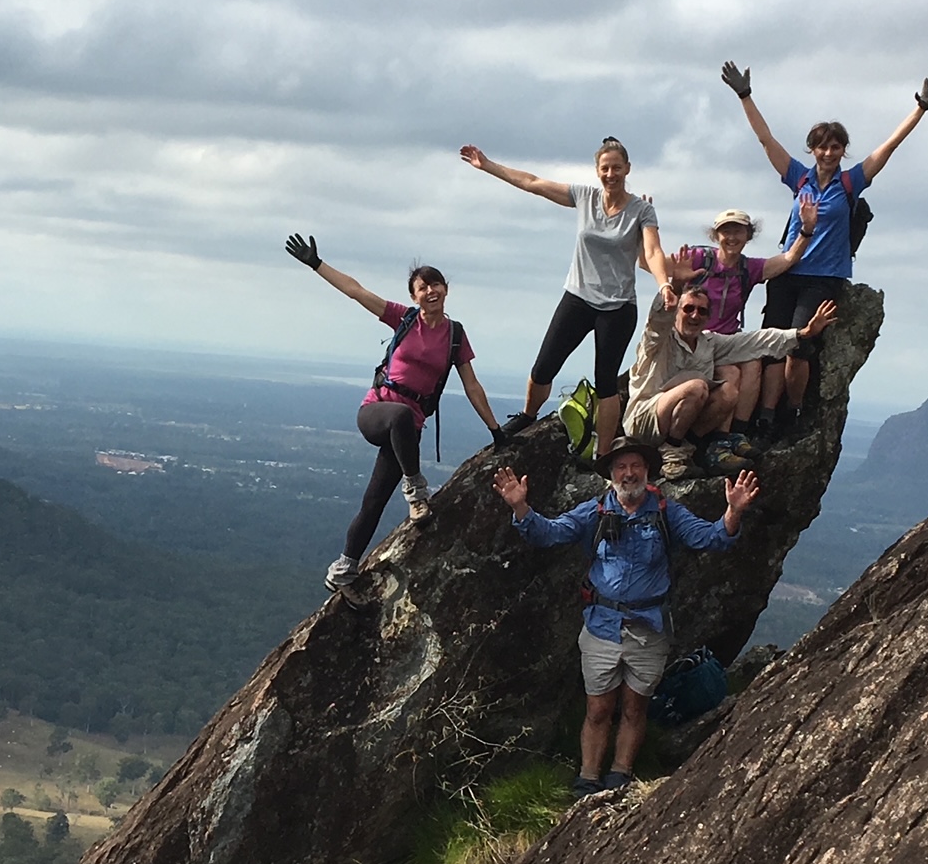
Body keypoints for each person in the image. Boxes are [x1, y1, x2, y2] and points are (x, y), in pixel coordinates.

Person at [492, 439, 758, 796]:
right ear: (611, 475)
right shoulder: (595, 512)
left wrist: (733, 513)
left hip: (649, 628)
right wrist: (521, 507)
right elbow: (551, 534)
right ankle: (588, 778)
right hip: (603, 626)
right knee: (598, 708)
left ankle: (621, 774)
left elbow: (710, 538)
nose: (628, 473)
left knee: (635, 707)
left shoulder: (667, 512)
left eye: (635, 466)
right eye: (621, 467)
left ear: (647, 472)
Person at [719, 60, 928, 435]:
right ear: (811, 150)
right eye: (822, 146)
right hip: (786, 270)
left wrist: (921, 107)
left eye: (835, 147)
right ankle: (764, 417)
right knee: (772, 346)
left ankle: (792, 412)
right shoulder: (799, 179)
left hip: (823, 279)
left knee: (799, 346)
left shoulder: (851, 182)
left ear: (843, 150)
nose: (828, 153)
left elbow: (889, 146)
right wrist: (745, 95)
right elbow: (766, 140)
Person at [286, 233, 503, 592]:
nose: (431, 291)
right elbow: (356, 291)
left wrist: (495, 429)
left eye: (436, 284)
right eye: (423, 287)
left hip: (409, 429)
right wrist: (316, 264)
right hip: (378, 412)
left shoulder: (455, 335)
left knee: (374, 500)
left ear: (445, 289)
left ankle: (343, 569)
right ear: (413, 296)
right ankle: (417, 493)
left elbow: (472, 385)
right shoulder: (403, 319)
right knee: (400, 417)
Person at [458, 136, 674, 458]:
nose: (610, 173)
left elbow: (653, 250)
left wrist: (664, 284)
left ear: (627, 169)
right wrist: (487, 165)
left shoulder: (642, 211)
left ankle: (603, 454)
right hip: (578, 297)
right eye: (605, 168)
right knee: (544, 366)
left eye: (617, 167)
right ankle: (528, 415)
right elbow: (533, 182)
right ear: (597, 170)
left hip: (617, 308)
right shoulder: (584, 197)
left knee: (605, 381)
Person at [625, 287, 839, 479]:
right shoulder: (659, 341)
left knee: (727, 391)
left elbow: (755, 341)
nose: (694, 315)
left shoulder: (709, 343)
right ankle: (672, 455)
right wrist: (676, 285)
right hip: (645, 420)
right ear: (676, 312)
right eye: (688, 308)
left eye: (702, 311)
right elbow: (656, 322)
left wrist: (803, 333)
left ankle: (687, 447)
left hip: (677, 421)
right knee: (698, 386)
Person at [664, 196, 817, 448]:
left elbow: (788, 260)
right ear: (716, 236)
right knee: (733, 373)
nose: (732, 237)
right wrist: (642, 231)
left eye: (738, 231)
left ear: (748, 236)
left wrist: (806, 230)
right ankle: (720, 441)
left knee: (754, 364)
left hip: (728, 342)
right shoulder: (700, 259)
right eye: (726, 231)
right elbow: (647, 262)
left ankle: (739, 432)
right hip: (696, 340)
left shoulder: (749, 269)